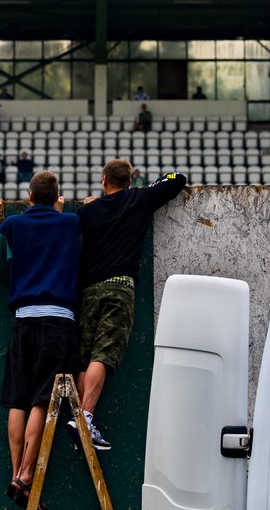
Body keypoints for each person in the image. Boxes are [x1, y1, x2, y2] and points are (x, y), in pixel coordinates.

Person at [0, 171, 80, 510]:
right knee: (42, 398)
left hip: (23, 319)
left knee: (18, 399)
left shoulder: (13, 226)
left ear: (29, 196)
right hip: (59, 320)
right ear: (57, 197)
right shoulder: (70, 224)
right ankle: (24, 475)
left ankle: (15, 474)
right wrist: (60, 212)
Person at [72, 160, 186, 450]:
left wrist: (92, 205)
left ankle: (81, 418)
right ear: (129, 180)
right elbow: (177, 178)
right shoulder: (139, 199)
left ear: (103, 181)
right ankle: (85, 417)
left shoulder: (88, 211)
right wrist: (151, 184)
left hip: (88, 290)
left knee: (86, 357)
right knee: (104, 354)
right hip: (119, 287)